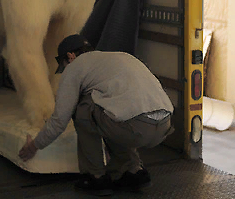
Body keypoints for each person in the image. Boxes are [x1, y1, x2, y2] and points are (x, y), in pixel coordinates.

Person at [18, 34, 174, 196]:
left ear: (70, 57)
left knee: (83, 107)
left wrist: (34, 145)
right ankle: (133, 172)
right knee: (111, 109)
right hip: (164, 126)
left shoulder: (75, 66)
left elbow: (59, 121)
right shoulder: (120, 57)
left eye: (63, 65)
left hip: (135, 128)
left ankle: (96, 176)